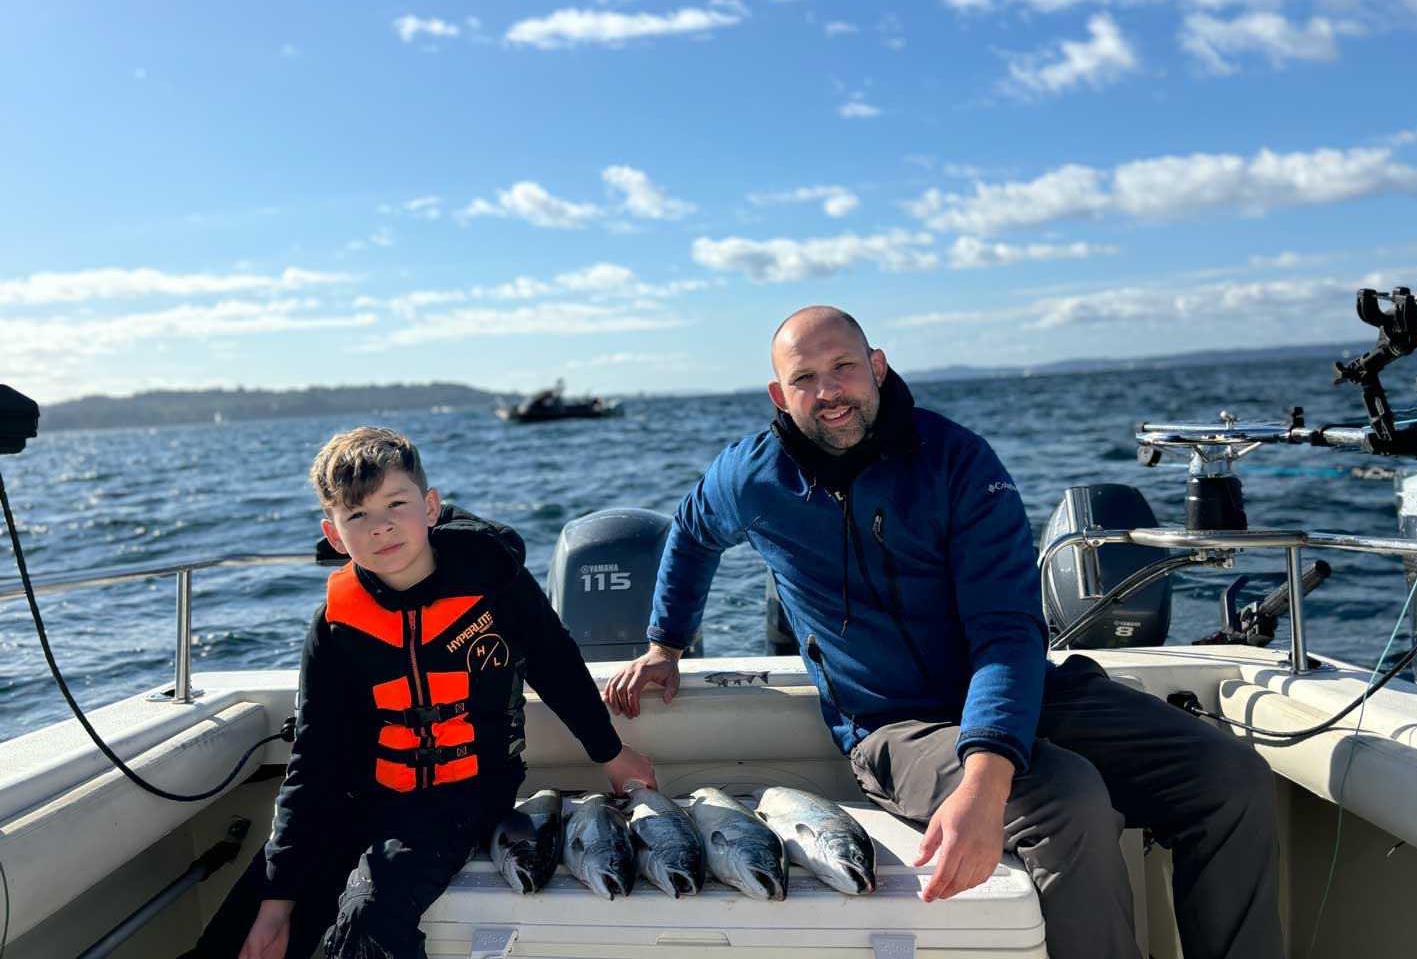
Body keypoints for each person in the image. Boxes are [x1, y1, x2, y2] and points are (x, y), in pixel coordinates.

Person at [603, 306, 1281, 959]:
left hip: (1022, 690)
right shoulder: (750, 477)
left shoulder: (957, 462)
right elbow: (691, 533)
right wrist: (666, 644)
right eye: (805, 379)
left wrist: (986, 780)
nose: (828, 391)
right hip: (894, 727)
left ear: (877, 365)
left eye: (842, 367)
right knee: (1064, 799)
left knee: (1229, 778)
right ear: (781, 395)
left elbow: (1008, 631)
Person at [187, 426, 653, 959]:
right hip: (363, 795)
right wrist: (276, 901)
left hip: (463, 795)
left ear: (430, 507)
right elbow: (313, 762)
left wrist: (611, 752)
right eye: (357, 516)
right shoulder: (334, 627)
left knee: (366, 919)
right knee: (239, 933)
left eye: (396, 504)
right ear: (335, 536)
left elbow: (557, 665)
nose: (381, 527)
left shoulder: (492, 581)